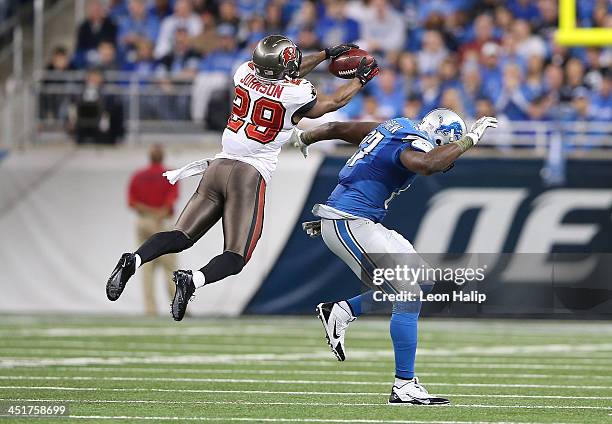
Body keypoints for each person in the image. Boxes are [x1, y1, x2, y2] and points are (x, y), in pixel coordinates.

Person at [106, 35, 379, 321]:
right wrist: (361, 78)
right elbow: (333, 101)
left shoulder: (244, 72)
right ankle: (193, 280)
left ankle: (134, 259)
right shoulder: (294, 94)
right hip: (248, 174)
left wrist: (324, 54)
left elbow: (287, 71)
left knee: (180, 235)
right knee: (236, 256)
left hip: (218, 166)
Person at [291, 109, 497, 405]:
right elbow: (427, 164)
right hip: (349, 221)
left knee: (422, 281)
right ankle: (404, 385)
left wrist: (308, 136)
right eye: (444, 146)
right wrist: (470, 140)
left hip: (360, 220)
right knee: (408, 293)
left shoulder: (394, 126)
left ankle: (343, 311)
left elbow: (339, 127)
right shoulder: (414, 141)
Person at [128, 145, 179, 315]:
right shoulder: (169, 174)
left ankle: (150, 309)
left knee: (146, 268)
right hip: (162, 222)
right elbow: (171, 201)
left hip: (144, 221)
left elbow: (132, 202)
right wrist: (159, 215)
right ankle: (178, 305)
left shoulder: (138, 176)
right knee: (170, 268)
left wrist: (149, 212)